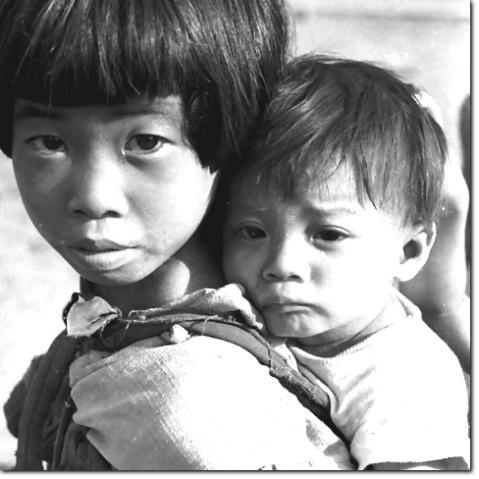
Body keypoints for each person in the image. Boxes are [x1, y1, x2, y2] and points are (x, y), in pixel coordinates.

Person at [0, 0, 355, 471]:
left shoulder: (192, 405)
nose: (94, 197)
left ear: (231, 135)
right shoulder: (120, 329)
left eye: (145, 141)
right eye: (50, 142)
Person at [221, 54, 470, 470]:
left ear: (408, 252)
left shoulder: (406, 380)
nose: (281, 264)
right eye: (253, 232)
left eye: (328, 235)